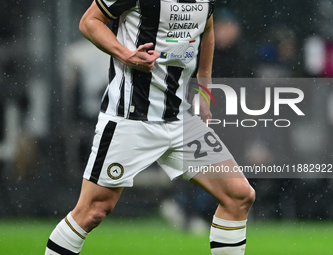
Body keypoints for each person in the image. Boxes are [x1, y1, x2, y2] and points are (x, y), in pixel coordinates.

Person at [44, 0, 255, 254]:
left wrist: (205, 87)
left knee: (239, 195)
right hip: (130, 119)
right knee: (93, 211)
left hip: (181, 120)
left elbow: (207, 28)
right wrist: (126, 55)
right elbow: (89, 22)